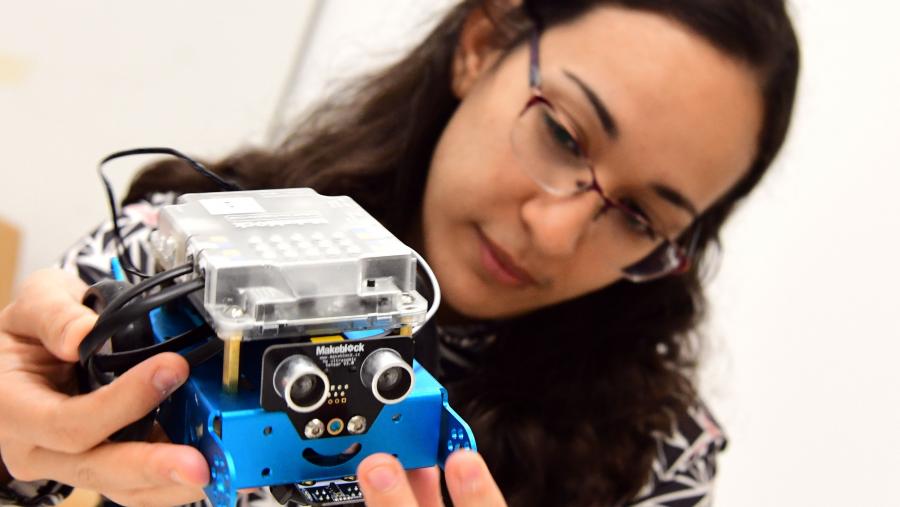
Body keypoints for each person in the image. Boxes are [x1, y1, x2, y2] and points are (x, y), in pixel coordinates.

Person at [0, 0, 799, 505]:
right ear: (482, 43)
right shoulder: (159, 260)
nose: (554, 233)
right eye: (561, 134)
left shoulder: (658, 459)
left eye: (639, 216)